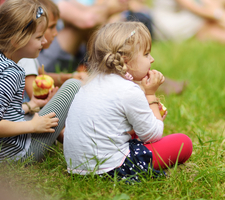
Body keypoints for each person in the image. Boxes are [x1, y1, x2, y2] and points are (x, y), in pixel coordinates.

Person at [64, 22, 192, 180]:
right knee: (183, 143)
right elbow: (153, 135)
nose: (151, 59)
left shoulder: (90, 84)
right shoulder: (129, 90)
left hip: (77, 167)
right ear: (125, 60)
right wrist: (150, 95)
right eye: (146, 54)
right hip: (111, 168)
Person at [0, 0, 82, 164]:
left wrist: (31, 105)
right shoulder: (12, 72)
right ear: (17, 40)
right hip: (19, 154)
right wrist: (33, 126)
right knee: (73, 85)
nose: (44, 41)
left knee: (44, 109)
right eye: (38, 37)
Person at [19, 0, 86, 104]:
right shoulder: (27, 59)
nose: (56, 33)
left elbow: (43, 76)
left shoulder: (27, 57)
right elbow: (36, 100)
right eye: (51, 27)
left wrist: (70, 77)